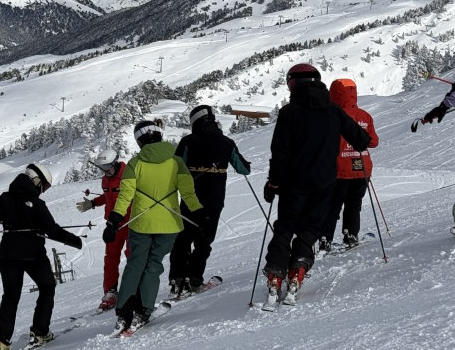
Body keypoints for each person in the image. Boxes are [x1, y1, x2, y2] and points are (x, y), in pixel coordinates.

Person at [263, 63, 372, 304]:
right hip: (325, 182)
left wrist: (273, 183)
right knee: (310, 229)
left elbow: (279, 153)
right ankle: (298, 269)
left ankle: (276, 273)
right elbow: (362, 141)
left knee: (285, 227)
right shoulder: (334, 111)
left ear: (293, 83)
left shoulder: (289, 112)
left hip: (293, 183)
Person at [0, 163, 83, 350]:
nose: (43, 191)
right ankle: (40, 332)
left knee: (10, 296)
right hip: (33, 256)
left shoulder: (5, 199)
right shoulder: (37, 204)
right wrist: (74, 240)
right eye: (44, 186)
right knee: (47, 287)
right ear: (36, 180)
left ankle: (2, 342)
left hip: (7, 255)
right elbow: (52, 230)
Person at [104, 120, 203, 333]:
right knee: (153, 265)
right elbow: (188, 194)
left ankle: (124, 311)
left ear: (139, 141)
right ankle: (144, 309)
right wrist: (199, 213)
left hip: (141, 223)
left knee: (135, 264)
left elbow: (125, 196)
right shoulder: (176, 162)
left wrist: (114, 220)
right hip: (169, 224)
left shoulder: (135, 163)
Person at [167, 105, 251, 297]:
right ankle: (194, 280)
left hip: (190, 199)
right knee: (204, 239)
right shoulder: (226, 143)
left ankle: (177, 280)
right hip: (214, 200)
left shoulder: (187, 141)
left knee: (183, 237)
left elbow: (174, 169)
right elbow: (244, 169)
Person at [320, 79, 379, 251]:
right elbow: (373, 142)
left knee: (332, 206)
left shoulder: (330, 115)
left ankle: (325, 241)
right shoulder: (365, 116)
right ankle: (351, 236)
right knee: (354, 205)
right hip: (362, 169)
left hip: (339, 170)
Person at [76, 152, 129, 309]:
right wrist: (92, 203)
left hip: (131, 223)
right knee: (110, 259)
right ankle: (111, 292)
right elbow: (107, 197)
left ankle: (132, 289)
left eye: (107, 167)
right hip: (113, 226)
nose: (105, 171)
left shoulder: (128, 175)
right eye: (102, 168)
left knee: (132, 257)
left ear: (115, 163)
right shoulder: (106, 179)